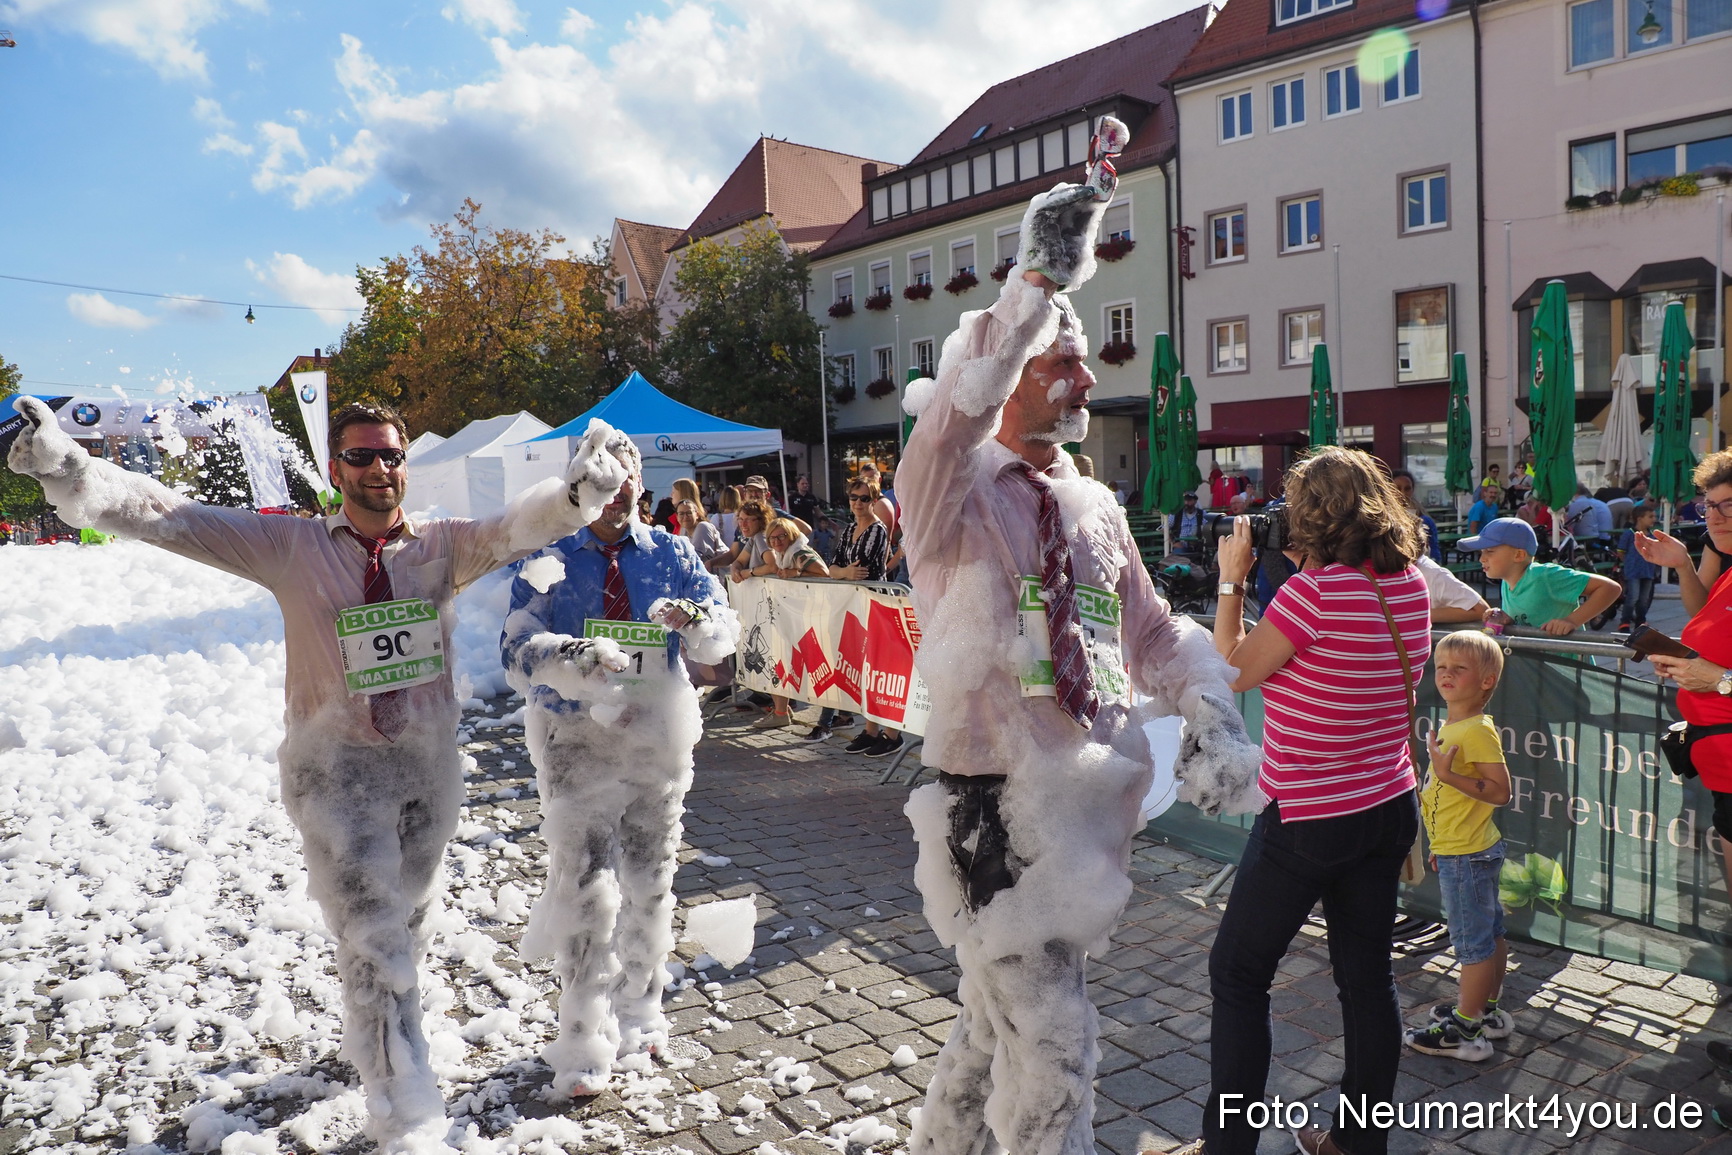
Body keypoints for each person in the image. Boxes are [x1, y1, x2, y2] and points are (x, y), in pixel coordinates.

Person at [5, 396, 632, 1145]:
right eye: (361, 457)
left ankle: (370, 1042)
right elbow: (169, 513)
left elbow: (511, 530)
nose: (378, 470)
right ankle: (408, 1111)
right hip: (336, 776)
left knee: (411, 921)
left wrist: (575, 497)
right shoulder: (293, 546)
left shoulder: (440, 545)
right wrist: (71, 468)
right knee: (375, 936)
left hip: (426, 770)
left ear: (405, 466)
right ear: (336, 469)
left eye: (390, 455)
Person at [896, 161, 1262, 1155]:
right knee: (1055, 1039)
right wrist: (1038, 283)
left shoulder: (1096, 505)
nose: (1089, 378)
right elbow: (957, 405)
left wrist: (1213, 712)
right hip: (989, 805)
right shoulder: (949, 486)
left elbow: (1147, 631)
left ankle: (941, 1145)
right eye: (1064, 363)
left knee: (992, 1019)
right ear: (1012, 376)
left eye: (1082, 361)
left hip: (1082, 801)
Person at [1203, 445, 1429, 1155]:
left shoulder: (1315, 594)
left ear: (1312, 516)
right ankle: (1357, 1145)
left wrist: (1232, 583)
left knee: (1238, 973)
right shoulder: (1411, 584)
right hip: (1386, 801)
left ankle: (1228, 1146)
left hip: (1310, 816)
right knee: (1366, 982)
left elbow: (1233, 669)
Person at [499, 438, 737, 1097]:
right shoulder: (549, 553)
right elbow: (515, 651)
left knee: (651, 884)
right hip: (576, 745)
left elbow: (721, 625)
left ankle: (642, 1011)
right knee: (586, 890)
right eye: (602, 476)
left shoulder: (671, 551)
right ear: (579, 481)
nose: (618, 488)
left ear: (639, 481)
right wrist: (572, 655)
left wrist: (697, 618)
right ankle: (581, 1037)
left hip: (657, 747)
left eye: (627, 475)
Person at [1630, 450, 1732, 1131]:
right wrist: (1681, 563)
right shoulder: (1725, 565)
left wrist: (1717, 682)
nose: (1717, 517)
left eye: (1729, 506)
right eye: (1712, 506)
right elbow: (1705, 625)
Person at [1403, 631, 1513, 1062]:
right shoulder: (1457, 723)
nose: (1445, 675)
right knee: (1489, 933)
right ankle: (1487, 1009)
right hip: (1460, 849)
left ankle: (1465, 1031)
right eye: (1440, 667)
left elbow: (1500, 791)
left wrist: (1448, 777)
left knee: (1472, 944)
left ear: (1486, 680)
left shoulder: (1476, 731)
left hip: (1467, 854)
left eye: (1459, 669)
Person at [800, 478, 896, 750]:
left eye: (864, 498)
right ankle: (870, 730)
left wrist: (843, 572)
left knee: (877, 671)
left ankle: (890, 735)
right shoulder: (851, 527)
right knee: (863, 670)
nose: (857, 503)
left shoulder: (877, 530)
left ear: (874, 500)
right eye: (853, 497)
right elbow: (835, 566)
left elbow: (862, 569)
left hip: (875, 605)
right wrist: (843, 573)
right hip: (854, 605)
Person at [1457, 518, 1620, 635]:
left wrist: (1572, 621)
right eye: (1481, 552)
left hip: (1568, 673)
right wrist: (1506, 618)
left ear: (1519, 555)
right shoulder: (1507, 581)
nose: (1481, 558)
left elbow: (1610, 588)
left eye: (1489, 551)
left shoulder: (1544, 576)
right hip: (1537, 673)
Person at [1614, 503, 1661, 630]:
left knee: (1644, 599)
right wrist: (1629, 562)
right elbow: (1621, 551)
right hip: (1633, 571)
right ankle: (1625, 621)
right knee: (1633, 597)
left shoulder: (1652, 536)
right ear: (1639, 518)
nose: (1654, 519)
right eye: (1650, 516)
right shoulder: (1629, 534)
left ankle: (1641, 620)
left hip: (1648, 570)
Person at [1392, 469, 1441, 562]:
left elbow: (1434, 552)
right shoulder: (1383, 519)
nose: (1402, 493)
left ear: (1412, 490)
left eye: (1407, 488)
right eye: (1397, 488)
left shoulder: (1424, 520)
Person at [741, 475, 810, 536]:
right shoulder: (742, 517)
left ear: (767, 495)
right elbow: (734, 549)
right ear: (745, 495)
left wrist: (787, 547)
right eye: (750, 491)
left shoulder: (775, 514)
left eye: (758, 491)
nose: (754, 494)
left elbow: (805, 529)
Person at [675, 499, 727, 565]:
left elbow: (694, 556)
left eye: (689, 513)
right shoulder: (683, 530)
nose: (685, 517)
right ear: (677, 517)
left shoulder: (703, 526)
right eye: (681, 514)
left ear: (697, 514)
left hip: (721, 572)